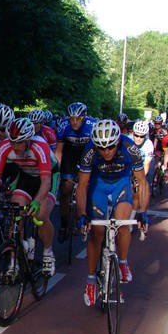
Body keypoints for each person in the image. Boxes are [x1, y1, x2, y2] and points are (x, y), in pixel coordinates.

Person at [76, 119, 148, 306]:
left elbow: (142, 183)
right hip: (98, 186)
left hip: (120, 184)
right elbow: (82, 186)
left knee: (122, 225)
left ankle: (122, 261)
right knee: (97, 233)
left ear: (117, 142)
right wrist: (82, 214)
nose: (106, 151)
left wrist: (142, 211)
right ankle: (91, 280)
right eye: (101, 148)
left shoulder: (130, 148)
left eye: (110, 147)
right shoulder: (90, 151)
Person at [0, 117, 57, 276]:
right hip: (27, 176)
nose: (15, 147)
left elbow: (46, 181)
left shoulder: (40, 146)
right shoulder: (5, 147)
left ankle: (48, 253)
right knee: (16, 215)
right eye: (12, 142)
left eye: (19, 142)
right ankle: (13, 263)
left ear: (28, 139)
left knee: (41, 215)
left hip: (48, 177)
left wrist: (37, 202)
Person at [54, 102, 97, 241]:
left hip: (87, 153)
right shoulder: (63, 126)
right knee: (66, 189)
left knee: (86, 186)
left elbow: (97, 151)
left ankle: (82, 215)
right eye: (72, 118)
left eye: (78, 119)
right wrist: (56, 170)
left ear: (84, 118)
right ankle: (63, 223)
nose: (74, 122)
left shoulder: (92, 126)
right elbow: (58, 152)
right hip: (70, 155)